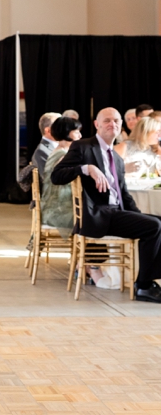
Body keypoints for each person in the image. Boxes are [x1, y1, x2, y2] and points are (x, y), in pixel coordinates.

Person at [51, 107, 161, 301]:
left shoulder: (116, 158)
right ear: (97, 124)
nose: (113, 124)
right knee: (154, 226)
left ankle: (147, 281)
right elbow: (56, 175)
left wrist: (138, 215)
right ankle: (143, 286)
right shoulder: (83, 147)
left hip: (115, 213)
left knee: (157, 221)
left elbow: (124, 196)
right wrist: (86, 168)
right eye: (107, 120)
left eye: (116, 121)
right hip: (98, 215)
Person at [39, 116, 82, 233]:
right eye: (77, 131)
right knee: (93, 216)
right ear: (67, 132)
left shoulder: (59, 151)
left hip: (52, 208)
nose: (80, 135)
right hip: (58, 212)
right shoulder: (63, 155)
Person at [21, 112, 61, 186]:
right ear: (48, 130)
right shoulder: (42, 152)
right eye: (59, 127)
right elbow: (49, 181)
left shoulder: (58, 146)